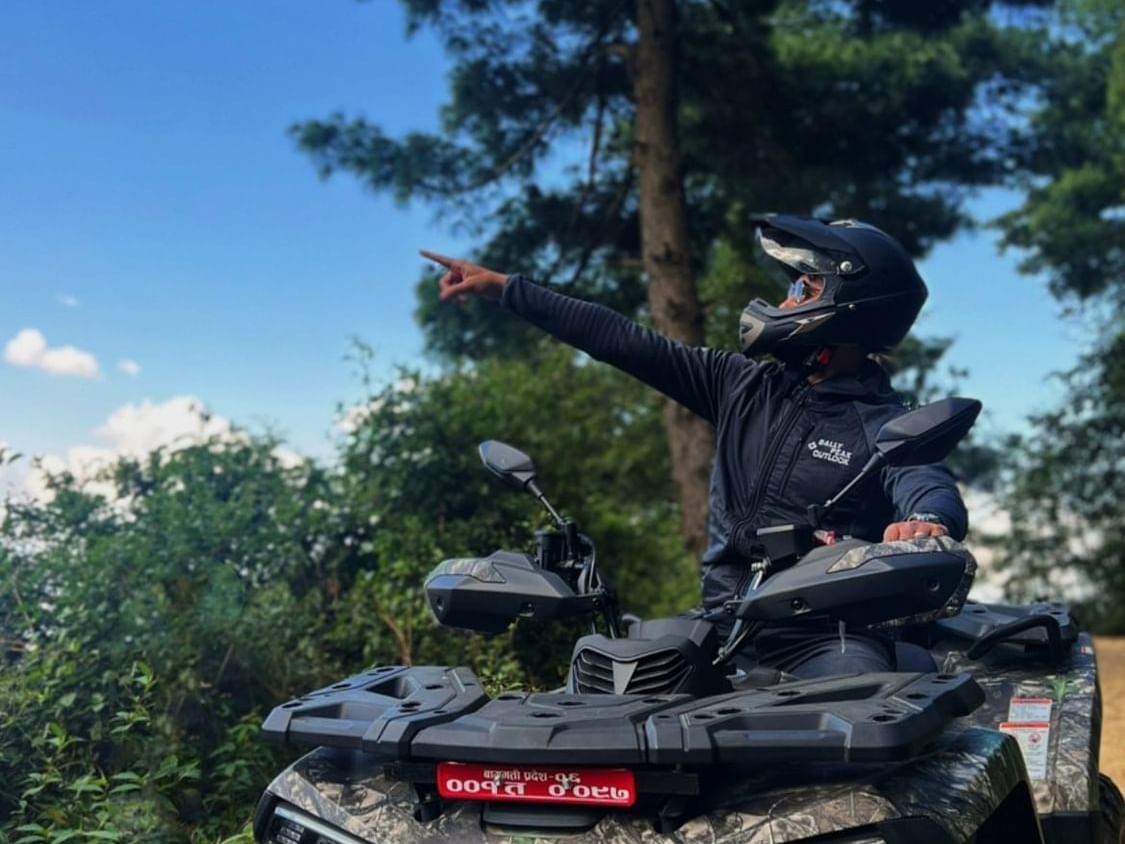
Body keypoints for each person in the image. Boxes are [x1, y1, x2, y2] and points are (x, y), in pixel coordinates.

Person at [420, 214, 967, 677]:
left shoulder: (881, 423)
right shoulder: (740, 384)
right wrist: (507, 289)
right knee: (608, 681)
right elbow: (624, 341)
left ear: (852, 306)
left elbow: (925, 479)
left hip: (823, 637)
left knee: (859, 705)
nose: (786, 298)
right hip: (721, 622)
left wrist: (925, 521)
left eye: (802, 287)